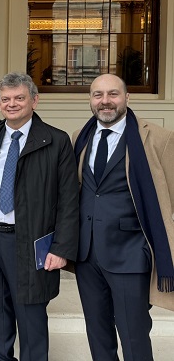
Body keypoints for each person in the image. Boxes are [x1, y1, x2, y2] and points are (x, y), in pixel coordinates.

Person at [0, 72, 79, 361]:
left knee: (31, 311)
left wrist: (61, 249)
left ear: (34, 100)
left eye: (19, 98)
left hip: (29, 238)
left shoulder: (56, 141)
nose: (12, 104)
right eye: (6, 99)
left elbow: (69, 201)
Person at [73, 74, 174, 361]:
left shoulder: (158, 138)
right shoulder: (80, 135)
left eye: (113, 94)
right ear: (91, 100)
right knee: (98, 334)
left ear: (127, 98)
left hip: (130, 254)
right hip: (87, 254)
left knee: (134, 335)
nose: (105, 101)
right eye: (98, 95)